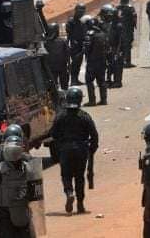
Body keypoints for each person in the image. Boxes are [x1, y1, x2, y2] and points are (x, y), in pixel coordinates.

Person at [51, 87, 98, 215]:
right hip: (81, 150)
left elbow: (53, 134)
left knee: (66, 175)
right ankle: (80, 204)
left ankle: (69, 192)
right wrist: (91, 150)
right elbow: (94, 135)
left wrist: (60, 145)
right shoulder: (85, 116)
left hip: (65, 150)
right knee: (79, 177)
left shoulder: (60, 115)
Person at [0, 136, 35, 238]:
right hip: (4, 213)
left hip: (23, 211)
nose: (13, 155)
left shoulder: (28, 168)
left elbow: (36, 193)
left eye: (15, 152)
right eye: (11, 152)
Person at [82, 17, 108, 106]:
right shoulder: (103, 34)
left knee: (89, 81)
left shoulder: (89, 35)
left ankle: (92, 101)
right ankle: (104, 100)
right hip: (102, 61)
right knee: (102, 81)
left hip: (92, 62)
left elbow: (87, 49)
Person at [65, 3, 87, 85]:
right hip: (74, 45)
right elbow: (69, 33)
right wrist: (72, 42)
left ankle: (76, 79)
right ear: (76, 10)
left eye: (83, 10)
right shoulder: (71, 21)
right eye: (80, 10)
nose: (81, 12)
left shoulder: (83, 20)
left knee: (79, 63)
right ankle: (73, 80)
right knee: (75, 63)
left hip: (81, 44)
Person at [43, 23, 70, 90]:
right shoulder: (63, 41)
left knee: (54, 86)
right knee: (64, 85)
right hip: (62, 67)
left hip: (52, 67)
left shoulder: (45, 42)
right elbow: (67, 54)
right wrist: (69, 65)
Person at [118, 0, 138, 69]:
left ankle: (121, 61)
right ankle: (128, 62)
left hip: (119, 30)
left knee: (120, 46)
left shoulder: (117, 8)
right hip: (128, 30)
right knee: (128, 46)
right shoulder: (130, 8)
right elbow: (134, 18)